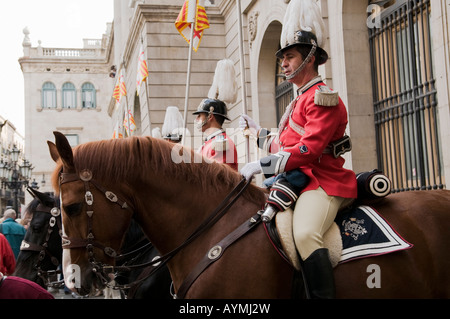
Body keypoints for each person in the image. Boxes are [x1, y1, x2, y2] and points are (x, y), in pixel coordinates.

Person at [239, 0, 356, 299]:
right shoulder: (297, 101)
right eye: (282, 58)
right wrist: (259, 134)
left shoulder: (322, 97)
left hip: (324, 181)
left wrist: (263, 165)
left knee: (305, 233)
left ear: (311, 58)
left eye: (289, 57)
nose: (284, 63)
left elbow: (309, 149)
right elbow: (286, 142)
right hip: (298, 181)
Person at [193, 98, 238, 171]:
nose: (196, 119)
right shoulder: (210, 142)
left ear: (210, 117)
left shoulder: (220, 143)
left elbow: (217, 177)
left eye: (199, 115)